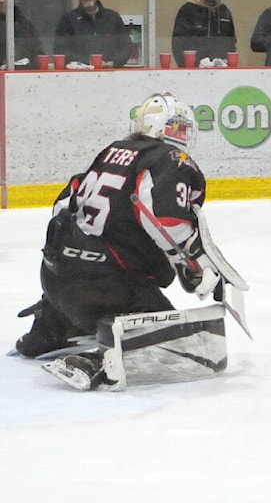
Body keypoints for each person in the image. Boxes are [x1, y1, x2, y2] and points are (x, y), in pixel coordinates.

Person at [14, 92, 227, 390]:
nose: (182, 136)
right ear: (157, 127)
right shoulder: (168, 158)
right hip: (107, 287)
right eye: (176, 127)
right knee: (182, 341)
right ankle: (98, 359)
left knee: (84, 263)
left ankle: (48, 330)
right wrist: (194, 263)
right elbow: (168, 220)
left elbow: (63, 205)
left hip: (54, 279)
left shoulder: (113, 150)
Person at [53, 0, 132, 68]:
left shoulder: (112, 17)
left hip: (110, 74)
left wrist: (113, 63)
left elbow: (126, 46)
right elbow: (60, 50)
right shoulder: (68, 20)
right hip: (78, 75)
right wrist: (88, 61)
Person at [172, 0, 237, 67]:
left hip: (221, 72)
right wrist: (186, 70)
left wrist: (227, 66)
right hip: (193, 72)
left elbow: (231, 44)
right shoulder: (187, 11)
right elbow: (178, 45)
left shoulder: (224, 12)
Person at [0, 0, 45, 69]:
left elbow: (38, 53)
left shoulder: (25, 25)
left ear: (14, 0)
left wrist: (25, 67)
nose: (1, 0)